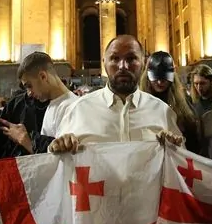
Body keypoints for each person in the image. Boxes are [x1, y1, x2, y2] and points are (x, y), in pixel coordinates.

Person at [50, 35, 184, 153]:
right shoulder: (78, 110)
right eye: (115, 58)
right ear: (104, 63)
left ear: (143, 63)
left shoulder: (163, 112)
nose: (123, 66)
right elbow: (56, 164)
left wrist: (173, 148)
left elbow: (182, 165)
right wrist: (58, 147)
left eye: (131, 59)